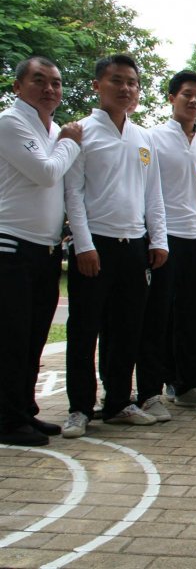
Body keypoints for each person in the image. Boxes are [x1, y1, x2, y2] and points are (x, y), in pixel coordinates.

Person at [63, 54, 168, 438]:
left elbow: (152, 193)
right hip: (94, 246)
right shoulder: (80, 132)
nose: (126, 89)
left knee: (128, 328)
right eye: (117, 81)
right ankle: (78, 408)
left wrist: (157, 239)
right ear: (97, 85)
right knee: (85, 328)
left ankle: (119, 402)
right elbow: (72, 193)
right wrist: (84, 246)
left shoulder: (143, 138)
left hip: (134, 245)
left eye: (133, 83)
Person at [0, 56, 82, 446]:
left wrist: (61, 140)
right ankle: (7, 418)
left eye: (56, 82)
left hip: (45, 250)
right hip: (12, 246)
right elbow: (47, 172)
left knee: (33, 337)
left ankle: (24, 411)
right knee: (12, 337)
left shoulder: (48, 131)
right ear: (18, 86)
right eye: (39, 81)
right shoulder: (11, 122)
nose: (50, 88)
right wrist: (69, 142)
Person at [136, 70, 196, 423]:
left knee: (192, 318)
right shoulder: (152, 138)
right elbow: (145, 192)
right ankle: (151, 391)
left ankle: (187, 386)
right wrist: (154, 237)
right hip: (165, 239)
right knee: (156, 319)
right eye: (187, 94)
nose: (194, 101)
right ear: (171, 98)